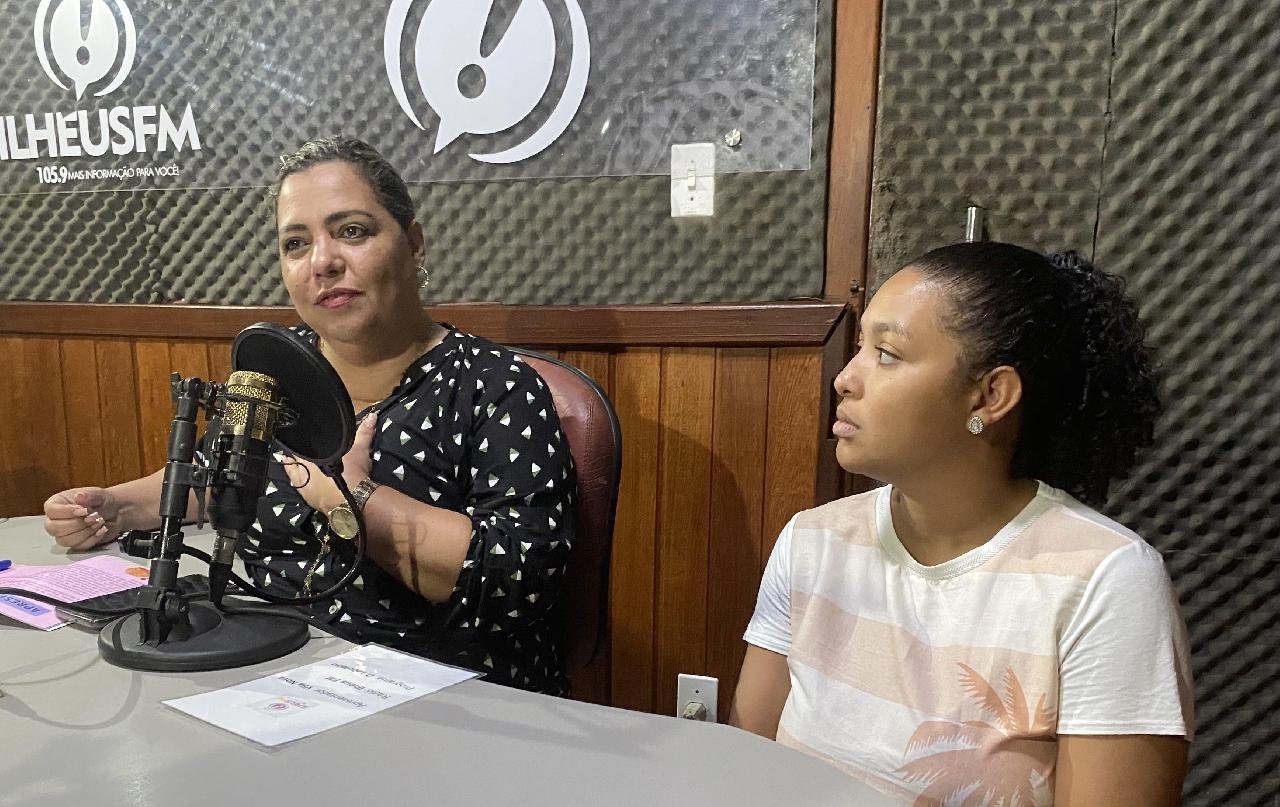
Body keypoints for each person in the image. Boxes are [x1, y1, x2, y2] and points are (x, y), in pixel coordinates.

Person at [42, 137, 577, 696]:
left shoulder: (496, 387)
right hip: (270, 675)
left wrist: (352, 493)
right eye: (296, 243)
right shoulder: (277, 369)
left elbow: (517, 586)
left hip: (448, 700)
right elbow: (218, 472)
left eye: (352, 231)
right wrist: (115, 507)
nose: (322, 262)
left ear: (413, 244)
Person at [729, 242, 1193, 804]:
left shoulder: (1108, 582)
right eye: (858, 349)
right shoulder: (812, 542)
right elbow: (747, 765)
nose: (845, 379)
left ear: (990, 394)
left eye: (888, 354)